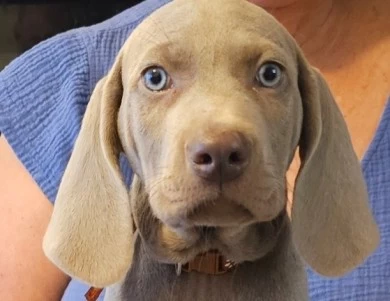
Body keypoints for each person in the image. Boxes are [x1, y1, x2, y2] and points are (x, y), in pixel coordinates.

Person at [0, 0, 388, 300]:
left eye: (269, 75)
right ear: (112, 123)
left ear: (310, 114)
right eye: (156, 79)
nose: (218, 143)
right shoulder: (64, 78)